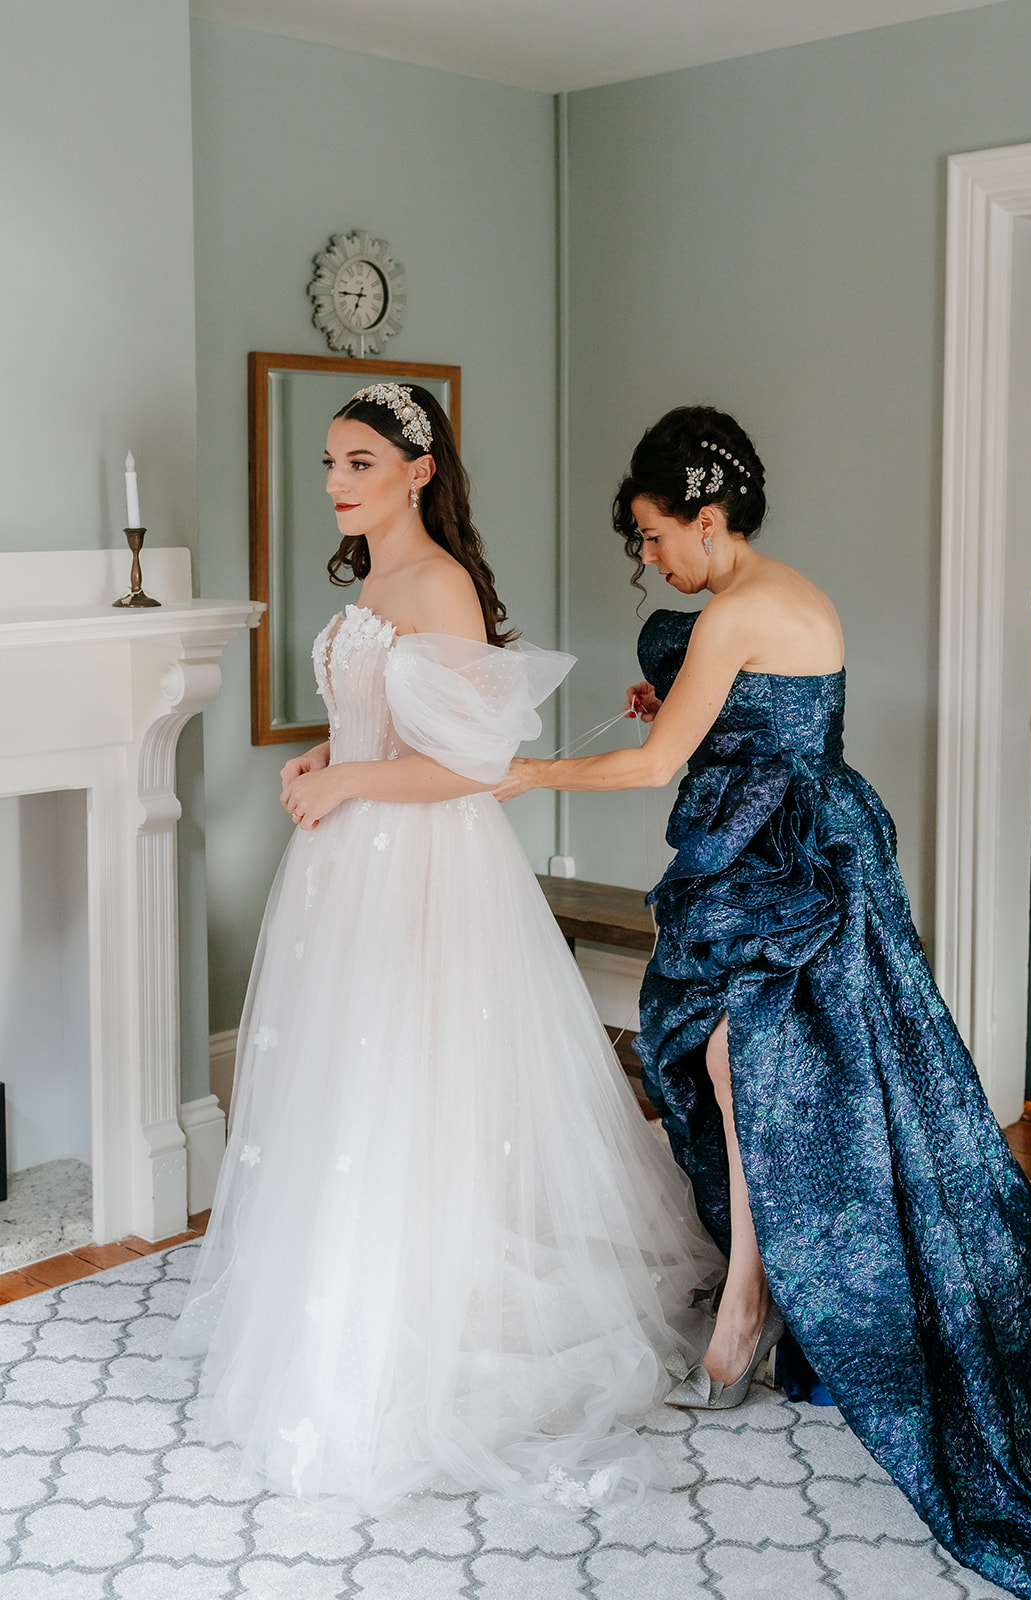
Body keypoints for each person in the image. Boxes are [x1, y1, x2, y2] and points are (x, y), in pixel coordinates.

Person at [494, 405, 1031, 1600]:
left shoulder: (746, 607)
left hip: (791, 862)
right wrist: (686, 713)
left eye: (654, 537)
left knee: (743, 1063)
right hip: (774, 842)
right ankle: (756, 1279)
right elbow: (729, 730)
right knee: (722, 1058)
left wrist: (523, 771)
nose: (649, 561)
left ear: (706, 518)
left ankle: (749, 1298)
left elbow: (659, 767)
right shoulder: (755, 601)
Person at [172, 383, 721, 1512]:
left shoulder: (439, 584)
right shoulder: (373, 577)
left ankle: (417, 1317)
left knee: (408, 1081)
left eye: (360, 462)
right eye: (329, 461)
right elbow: (384, 722)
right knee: (348, 1087)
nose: (334, 481)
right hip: (352, 856)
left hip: (421, 863)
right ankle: (346, 1292)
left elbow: (468, 766)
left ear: (418, 471)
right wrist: (319, 760)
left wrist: (349, 777)